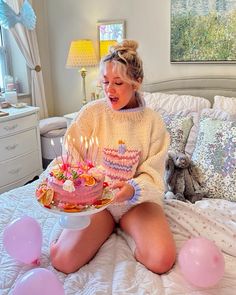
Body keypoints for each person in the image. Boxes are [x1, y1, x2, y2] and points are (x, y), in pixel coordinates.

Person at [50, 40, 176, 274]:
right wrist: (80, 186)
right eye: (105, 82)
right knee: (61, 261)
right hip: (99, 204)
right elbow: (72, 153)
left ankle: (130, 232)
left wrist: (132, 189)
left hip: (137, 204)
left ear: (136, 83)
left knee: (161, 260)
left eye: (118, 83)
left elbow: (154, 173)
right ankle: (107, 228)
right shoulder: (91, 113)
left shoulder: (152, 121)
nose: (109, 90)